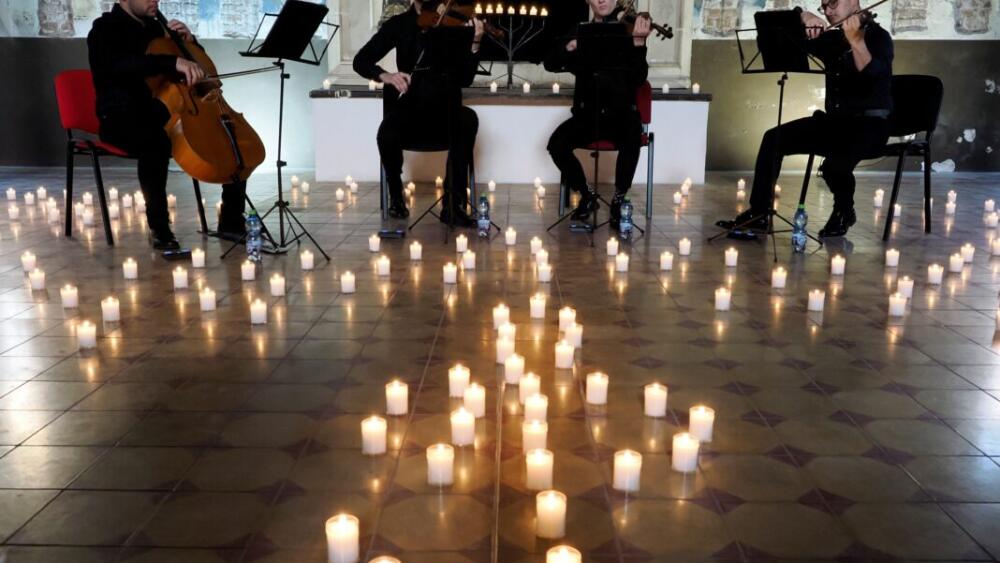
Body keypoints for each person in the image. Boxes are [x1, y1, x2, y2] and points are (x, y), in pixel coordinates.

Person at [718, 0, 893, 238]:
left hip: (870, 125)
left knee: (834, 165)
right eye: (824, 7)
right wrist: (805, 16)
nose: (828, 12)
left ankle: (844, 211)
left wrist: (856, 41)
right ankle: (759, 213)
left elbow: (872, 75)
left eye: (833, 4)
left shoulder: (879, 37)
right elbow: (784, 31)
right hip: (836, 123)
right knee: (773, 139)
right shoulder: (833, 38)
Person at [88, 0, 248, 249]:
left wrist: (190, 44)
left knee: (230, 135)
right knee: (155, 141)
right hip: (122, 118)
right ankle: (160, 228)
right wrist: (172, 62)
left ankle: (231, 219)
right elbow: (120, 65)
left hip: (167, 111)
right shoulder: (104, 29)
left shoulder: (158, 29)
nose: (155, 0)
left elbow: (199, 70)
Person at [353, 0, 485, 226]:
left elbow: (465, 79)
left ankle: (453, 205)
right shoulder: (398, 24)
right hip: (411, 109)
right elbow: (361, 60)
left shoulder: (453, 24)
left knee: (468, 119)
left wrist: (475, 42)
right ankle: (396, 195)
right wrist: (386, 76)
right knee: (386, 134)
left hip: (445, 108)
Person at [544, 0, 650, 229]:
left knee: (632, 133)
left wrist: (639, 44)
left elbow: (638, 78)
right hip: (587, 115)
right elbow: (550, 63)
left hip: (621, 114)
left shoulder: (626, 31)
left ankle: (619, 199)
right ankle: (586, 195)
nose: (602, 0)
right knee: (557, 144)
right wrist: (570, 46)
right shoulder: (580, 30)